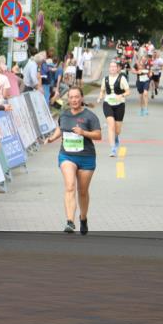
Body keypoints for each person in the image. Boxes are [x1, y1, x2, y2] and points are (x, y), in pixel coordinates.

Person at [46, 86, 102, 235]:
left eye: (77, 97)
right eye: (71, 97)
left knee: (82, 191)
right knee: (70, 186)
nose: (74, 100)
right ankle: (69, 221)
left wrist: (83, 132)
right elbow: (61, 128)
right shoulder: (64, 115)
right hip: (67, 156)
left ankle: (83, 218)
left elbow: (98, 135)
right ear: (68, 99)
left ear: (81, 98)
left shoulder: (90, 116)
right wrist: (52, 138)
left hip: (86, 157)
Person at [97, 60, 130, 157]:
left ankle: (116, 137)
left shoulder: (122, 79)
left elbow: (128, 91)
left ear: (118, 68)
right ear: (109, 68)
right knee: (111, 125)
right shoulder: (105, 79)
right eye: (111, 66)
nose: (112, 68)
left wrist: (122, 95)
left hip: (119, 105)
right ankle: (113, 148)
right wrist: (100, 97)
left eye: (114, 66)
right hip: (108, 103)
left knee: (117, 129)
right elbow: (102, 91)